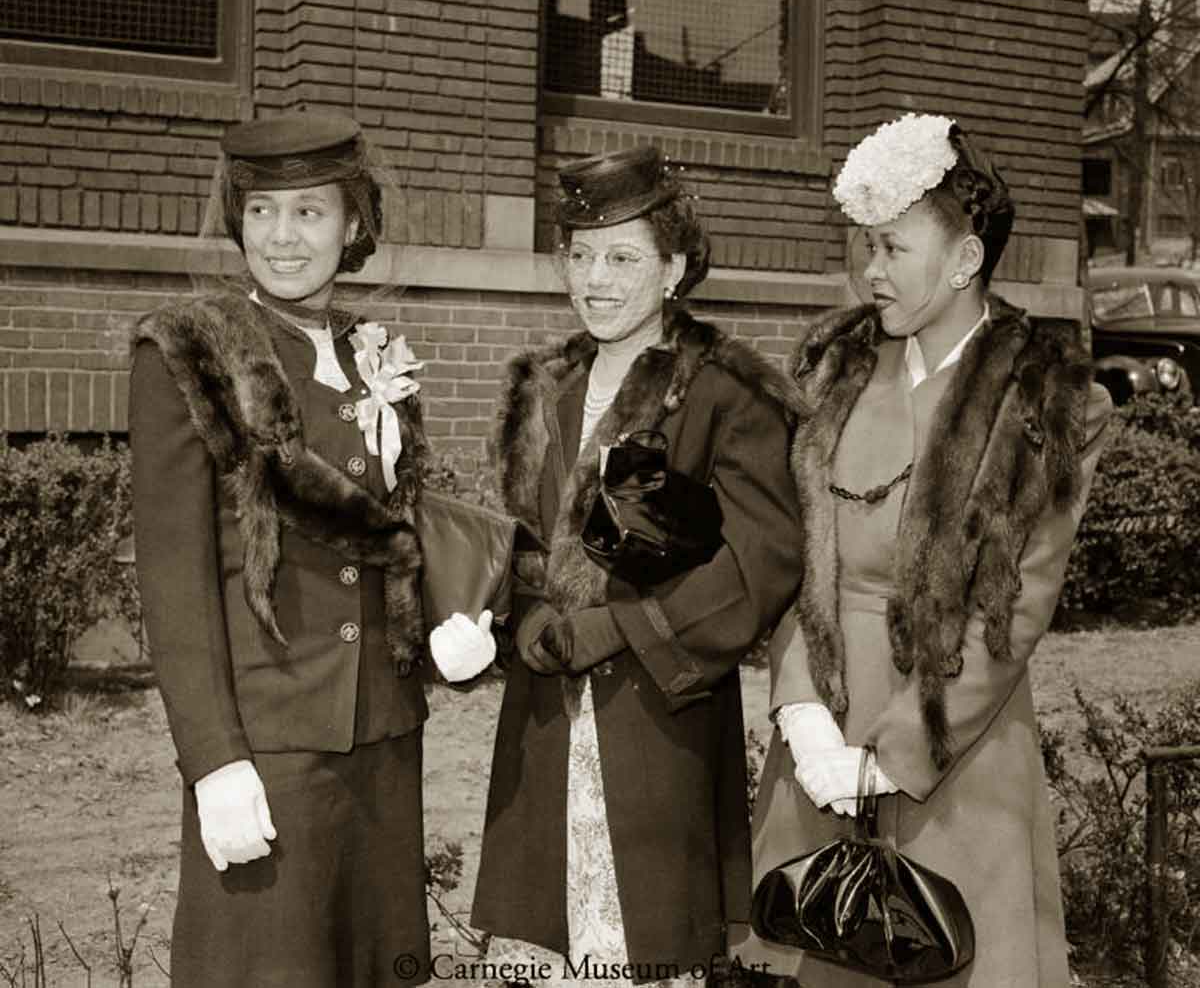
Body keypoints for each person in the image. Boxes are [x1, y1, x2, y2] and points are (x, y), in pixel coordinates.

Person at [731, 113, 1113, 986]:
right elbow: (799, 561)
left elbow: (1014, 608)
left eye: (893, 249)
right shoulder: (834, 373)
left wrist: (894, 756)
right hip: (824, 737)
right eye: (864, 248)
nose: (870, 271)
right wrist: (802, 716)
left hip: (953, 749)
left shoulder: (1047, 403)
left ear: (965, 259)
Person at [430, 145, 806, 986]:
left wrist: (621, 628)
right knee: (542, 945)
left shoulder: (725, 392)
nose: (595, 278)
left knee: (643, 945)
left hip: (658, 722)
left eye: (623, 257)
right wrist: (513, 618)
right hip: (544, 725)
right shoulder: (545, 387)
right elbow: (526, 544)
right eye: (581, 255)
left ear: (674, 268)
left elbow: (765, 562)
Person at [129, 111, 431, 987]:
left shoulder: (372, 352)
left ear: (352, 225)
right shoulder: (191, 350)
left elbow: (400, 531)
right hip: (271, 751)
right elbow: (174, 580)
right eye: (261, 211)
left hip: (383, 738)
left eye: (308, 212)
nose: (282, 237)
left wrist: (456, 613)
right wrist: (214, 760)